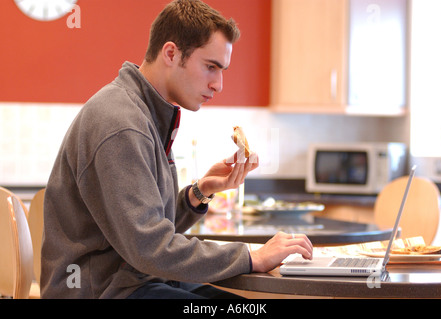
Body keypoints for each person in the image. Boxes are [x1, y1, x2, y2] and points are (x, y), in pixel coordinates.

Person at [40, 0, 313, 299]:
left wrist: (200, 192)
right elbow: (150, 248)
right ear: (171, 53)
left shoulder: (143, 112)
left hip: (132, 281)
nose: (219, 84)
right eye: (211, 67)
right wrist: (250, 255)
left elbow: (147, 231)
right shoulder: (121, 123)